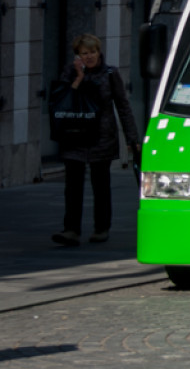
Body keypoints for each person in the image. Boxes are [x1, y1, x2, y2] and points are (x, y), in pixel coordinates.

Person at [49, 33, 141, 246]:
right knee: (72, 185)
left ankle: (101, 228)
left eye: (92, 52)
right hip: (74, 135)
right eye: (84, 53)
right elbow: (61, 98)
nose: (89, 56)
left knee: (101, 184)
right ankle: (71, 230)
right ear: (77, 56)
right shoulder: (69, 72)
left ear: (99, 52)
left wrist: (132, 137)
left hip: (102, 136)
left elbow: (123, 106)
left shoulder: (110, 74)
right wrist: (79, 78)